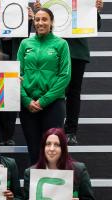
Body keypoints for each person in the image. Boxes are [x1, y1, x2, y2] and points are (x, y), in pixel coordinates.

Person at [33, 0, 104, 145]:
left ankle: (71, 131)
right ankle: (51, 129)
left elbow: (95, 26)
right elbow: (41, 28)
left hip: (76, 52)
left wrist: (94, 11)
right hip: (52, 51)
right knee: (52, 89)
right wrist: (41, 12)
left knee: (73, 92)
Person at [17, 8, 71, 164]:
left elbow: (65, 76)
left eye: (44, 19)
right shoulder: (25, 43)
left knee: (53, 151)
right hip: (28, 105)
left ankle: (53, 187)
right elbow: (16, 75)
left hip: (53, 103)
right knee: (34, 150)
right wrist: (26, 100)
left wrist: (44, 100)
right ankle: (34, 187)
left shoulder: (61, 44)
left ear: (51, 22)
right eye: (37, 19)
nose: (40, 23)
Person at [23, 128, 95, 200]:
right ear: (43, 148)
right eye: (48, 144)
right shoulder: (30, 173)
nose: (51, 149)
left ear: (63, 148)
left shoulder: (79, 170)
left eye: (57, 145)